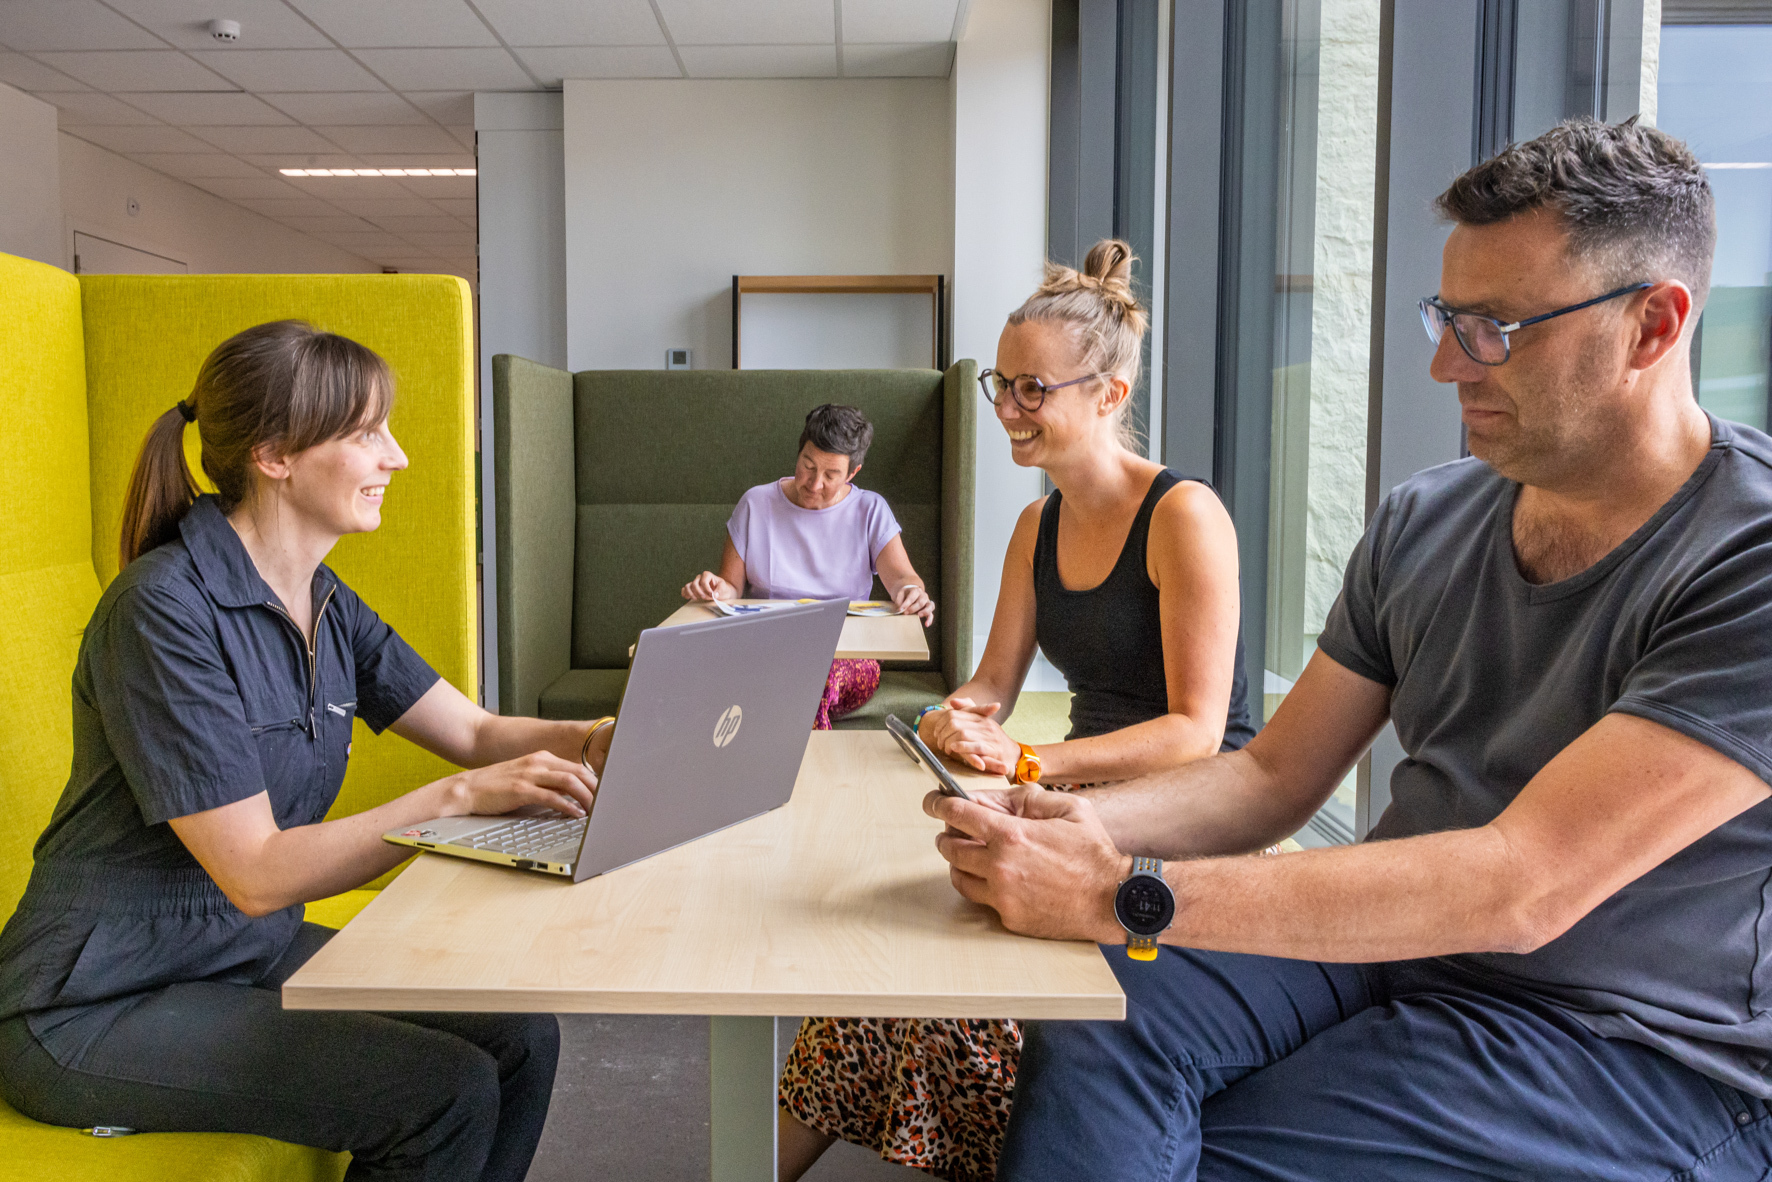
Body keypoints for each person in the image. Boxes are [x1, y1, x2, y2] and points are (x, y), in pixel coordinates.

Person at [926, 118, 1772, 1181]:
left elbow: (1524, 885)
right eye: (1445, 317)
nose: (1440, 364)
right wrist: (1060, 820)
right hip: (1403, 945)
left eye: (1494, 328)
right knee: (1095, 1016)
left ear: (1651, 326)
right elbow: (1270, 777)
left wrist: (1120, 889)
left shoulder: (1748, 559)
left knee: (1215, 1147)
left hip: (1628, 1043)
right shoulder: (1427, 517)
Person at [0, 321, 615, 1182]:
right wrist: (458, 799)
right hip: (97, 1001)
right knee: (441, 1092)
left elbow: (472, 732)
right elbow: (254, 871)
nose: (396, 458)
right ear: (275, 455)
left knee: (519, 1038)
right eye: (367, 434)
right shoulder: (162, 613)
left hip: (235, 955)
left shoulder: (322, 598)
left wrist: (601, 737)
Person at [777, 240, 1255, 1182]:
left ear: (1109, 395)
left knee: (943, 997)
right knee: (884, 973)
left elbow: (1198, 733)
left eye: (1034, 390)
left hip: (1197, 813)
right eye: (1004, 382)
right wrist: (962, 715)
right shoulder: (1036, 526)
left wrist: (1029, 761)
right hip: (1082, 796)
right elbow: (992, 679)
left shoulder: (1184, 515)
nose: (1007, 407)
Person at [681, 403, 934, 729]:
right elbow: (730, 588)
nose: (814, 484)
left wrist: (912, 591)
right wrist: (714, 588)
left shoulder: (870, 510)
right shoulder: (756, 504)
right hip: (767, 648)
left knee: (808, 679)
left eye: (831, 475)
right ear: (799, 453)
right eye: (807, 466)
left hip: (846, 657)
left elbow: (902, 577)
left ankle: (787, 772)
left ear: (852, 473)